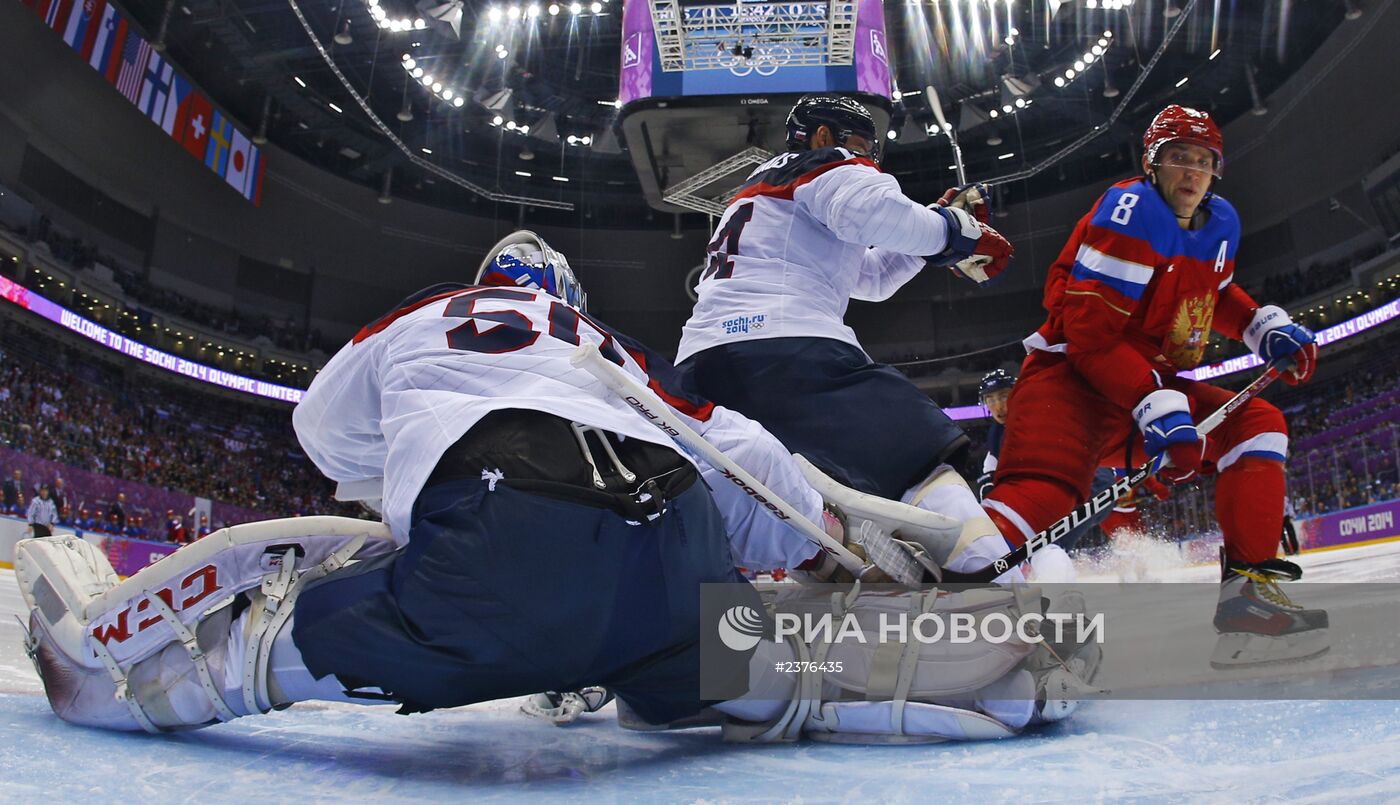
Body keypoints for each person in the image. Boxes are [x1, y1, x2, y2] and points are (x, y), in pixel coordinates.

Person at [18, 231, 1083, 744]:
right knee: (684, 686)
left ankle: (154, 684)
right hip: (669, 544)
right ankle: (939, 678)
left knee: (295, 627)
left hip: (502, 547)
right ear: (568, 300)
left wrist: (399, 494)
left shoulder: (422, 314)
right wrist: (821, 552)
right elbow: (748, 456)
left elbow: (320, 431)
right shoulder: (618, 355)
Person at [981, 105, 1327, 667]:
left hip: (1140, 386)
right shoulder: (1131, 209)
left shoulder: (1220, 223)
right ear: (1152, 163)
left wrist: (1262, 328)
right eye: (1178, 159)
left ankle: (1248, 601)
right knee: (1038, 502)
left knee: (1257, 424)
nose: (1191, 173)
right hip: (1070, 383)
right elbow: (1091, 338)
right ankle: (943, 609)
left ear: (1217, 170)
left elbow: (1213, 294)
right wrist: (1155, 404)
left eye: (1203, 162)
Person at [674, 94, 1034, 581]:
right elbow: (873, 212)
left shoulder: (756, 195)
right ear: (824, 136)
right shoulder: (827, 161)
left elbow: (871, 278)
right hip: (783, 350)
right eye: (863, 144)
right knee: (919, 457)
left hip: (700, 370)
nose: (868, 158)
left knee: (795, 508)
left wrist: (935, 234)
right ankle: (998, 585)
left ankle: (825, 597)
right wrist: (958, 233)